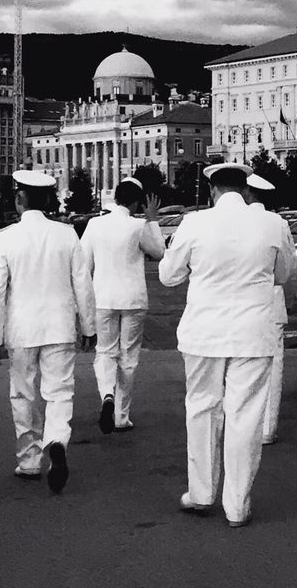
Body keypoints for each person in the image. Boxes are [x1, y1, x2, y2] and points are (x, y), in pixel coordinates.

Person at [158, 161, 296, 527]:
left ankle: (201, 493)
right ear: (247, 189)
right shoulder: (273, 224)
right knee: (245, 416)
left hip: (204, 332)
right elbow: (283, 275)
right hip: (253, 332)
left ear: (211, 191)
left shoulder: (194, 223)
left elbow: (169, 276)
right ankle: (237, 504)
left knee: (202, 408)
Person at [0, 170, 97, 494]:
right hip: (59, 327)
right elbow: (83, 285)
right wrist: (88, 326)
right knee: (60, 392)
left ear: (20, 199)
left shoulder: (6, 237)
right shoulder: (67, 235)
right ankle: (57, 440)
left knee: (23, 394)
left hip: (21, 330)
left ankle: (29, 460)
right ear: (48, 201)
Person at [79, 177, 165, 434]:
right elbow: (159, 252)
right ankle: (121, 416)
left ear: (115, 197)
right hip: (133, 299)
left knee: (105, 351)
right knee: (129, 357)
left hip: (103, 298)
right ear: (137, 202)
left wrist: (82, 307)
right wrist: (152, 220)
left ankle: (107, 394)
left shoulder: (95, 224)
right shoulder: (138, 225)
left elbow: (84, 265)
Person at [242, 172, 293, 445]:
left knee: (240, 368)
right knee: (272, 368)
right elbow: (285, 269)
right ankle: (266, 430)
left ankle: (243, 426)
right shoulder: (278, 223)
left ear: (247, 193)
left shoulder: (233, 222)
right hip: (271, 302)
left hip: (238, 304)